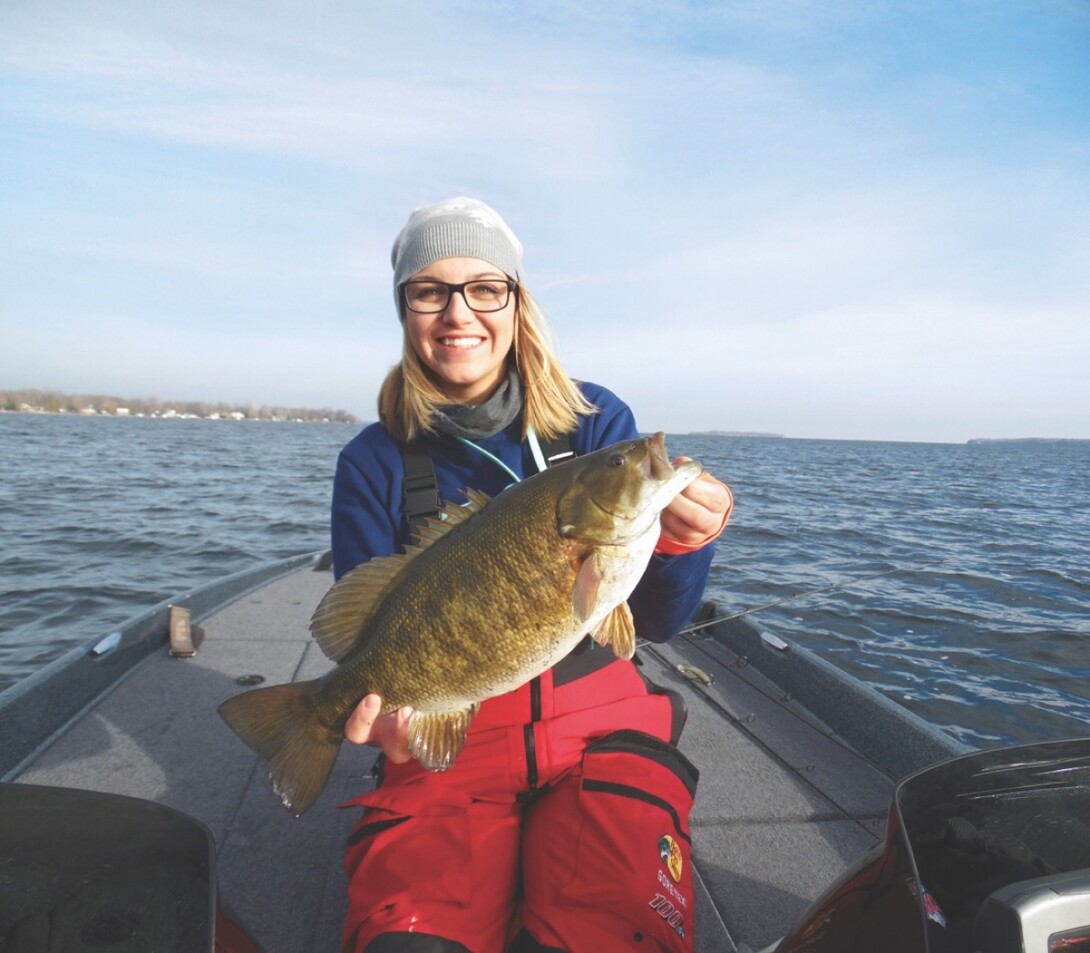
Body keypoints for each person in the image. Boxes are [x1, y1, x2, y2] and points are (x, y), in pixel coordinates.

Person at [330, 197, 733, 953]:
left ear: (517, 301)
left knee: (616, 936)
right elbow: (362, 625)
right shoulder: (371, 460)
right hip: (448, 738)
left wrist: (685, 543)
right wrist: (372, 710)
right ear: (404, 309)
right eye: (429, 290)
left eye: (485, 287)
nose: (459, 312)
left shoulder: (595, 420)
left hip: (599, 726)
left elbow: (658, 622)